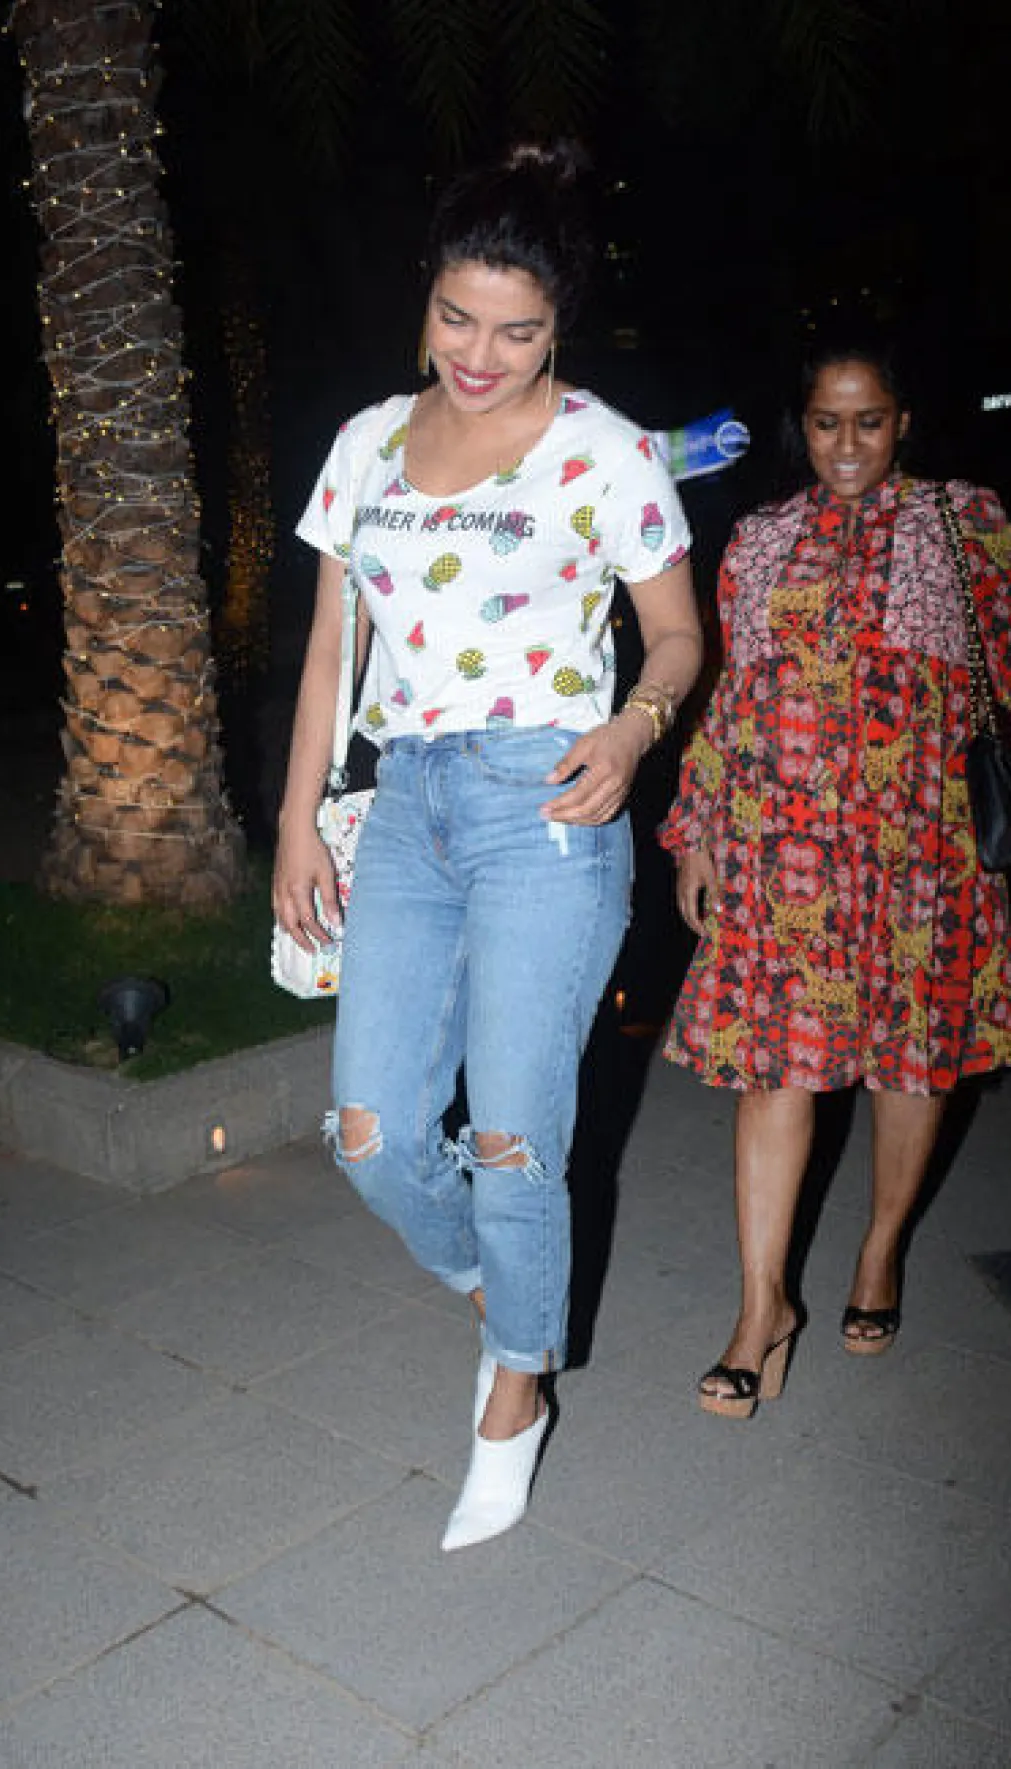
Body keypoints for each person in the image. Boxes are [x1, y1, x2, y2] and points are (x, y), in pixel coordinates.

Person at [273, 143, 701, 1542]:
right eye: (458, 316)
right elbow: (333, 649)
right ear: (427, 297)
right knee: (370, 1134)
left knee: (515, 1137)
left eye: (517, 330)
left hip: (549, 806)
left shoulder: (610, 451)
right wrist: (295, 819)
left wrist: (633, 730)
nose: (479, 352)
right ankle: (502, 1286)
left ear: (558, 324)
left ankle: (519, 1382)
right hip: (406, 804)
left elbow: (678, 636)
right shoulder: (365, 445)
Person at [658, 336, 1011, 1416]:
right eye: (826, 422)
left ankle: (879, 1252)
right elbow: (729, 693)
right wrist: (699, 827)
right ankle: (762, 1309)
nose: (847, 443)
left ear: (903, 422)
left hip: (922, 846)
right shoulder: (759, 538)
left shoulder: (965, 521)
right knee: (775, 1069)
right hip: (783, 844)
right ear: (801, 426)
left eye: (868, 421)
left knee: (913, 1062)